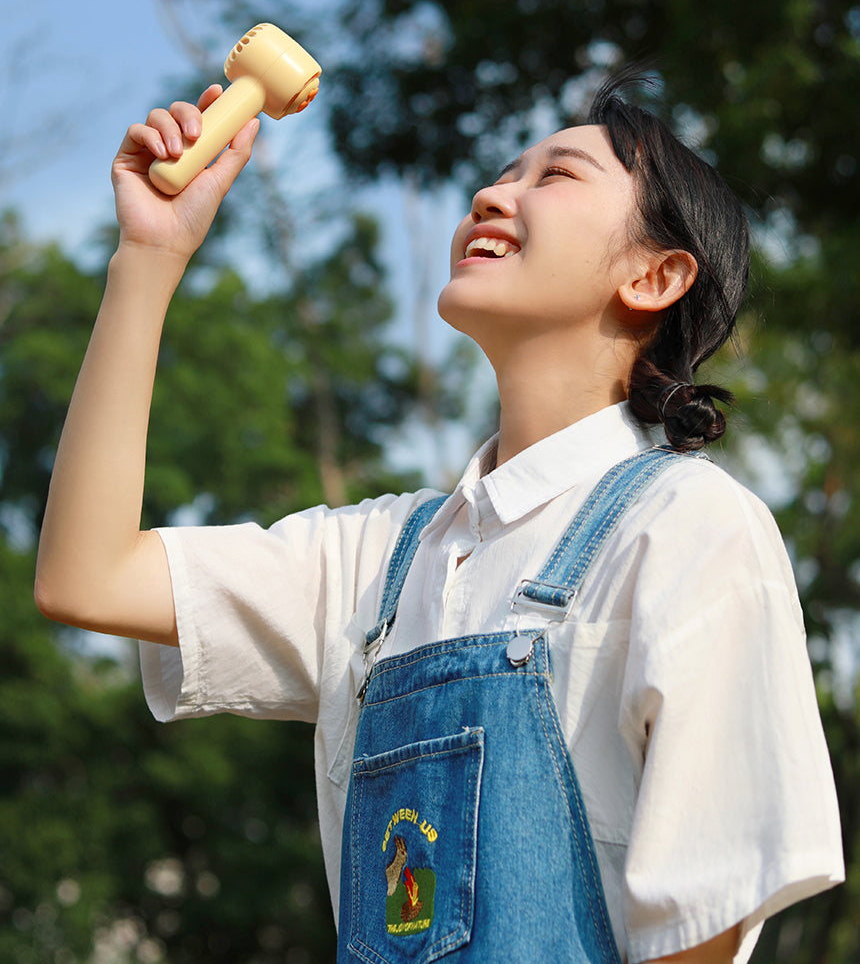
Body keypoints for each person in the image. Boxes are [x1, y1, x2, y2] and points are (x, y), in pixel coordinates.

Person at [35, 74, 844, 964]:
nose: (490, 194)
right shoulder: (378, 557)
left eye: (557, 176)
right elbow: (88, 576)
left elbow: (700, 928)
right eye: (503, 173)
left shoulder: (689, 525)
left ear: (654, 275)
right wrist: (148, 259)